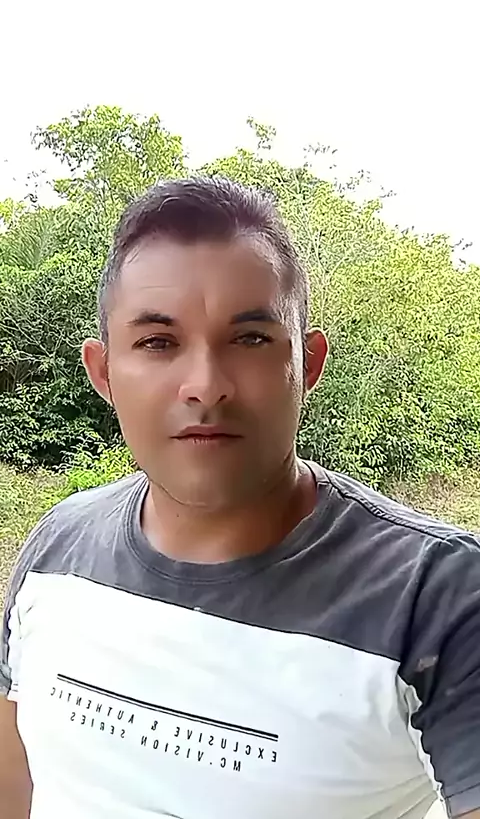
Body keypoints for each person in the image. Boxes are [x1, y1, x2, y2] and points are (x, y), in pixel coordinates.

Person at [1, 176, 479, 819]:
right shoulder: (59, 546)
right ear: (104, 372)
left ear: (307, 365)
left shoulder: (437, 596)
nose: (205, 385)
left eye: (250, 339)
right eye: (158, 342)